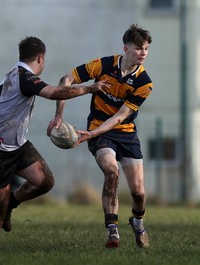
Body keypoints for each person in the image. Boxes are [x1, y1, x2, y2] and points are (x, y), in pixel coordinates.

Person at [0, 36, 109, 253]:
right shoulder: (24, 77)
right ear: (40, 57)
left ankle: (11, 205)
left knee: (44, 180)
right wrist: (90, 88)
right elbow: (54, 92)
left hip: (16, 144)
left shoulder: (17, 75)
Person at [48, 24, 153, 248]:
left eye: (146, 48)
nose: (143, 52)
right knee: (111, 172)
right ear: (125, 49)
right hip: (98, 129)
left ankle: (138, 222)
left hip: (124, 133)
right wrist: (58, 115)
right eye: (138, 48)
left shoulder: (145, 83)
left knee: (139, 193)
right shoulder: (103, 65)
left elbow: (120, 117)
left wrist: (92, 134)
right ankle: (112, 231)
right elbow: (65, 79)